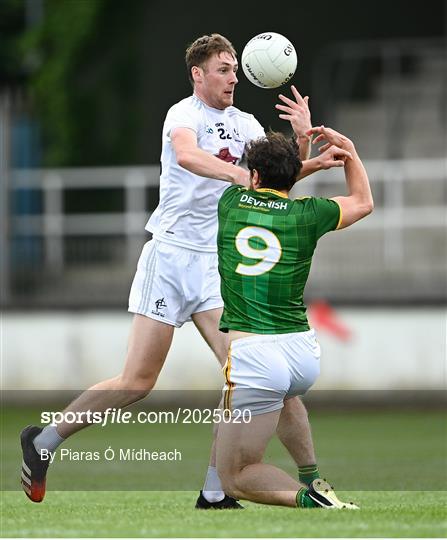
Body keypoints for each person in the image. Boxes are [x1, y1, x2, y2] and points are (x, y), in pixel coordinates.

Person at [20, 34, 351, 507]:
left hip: (217, 265)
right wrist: (240, 175)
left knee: (251, 373)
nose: (233, 76)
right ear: (198, 75)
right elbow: (187, 156)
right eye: (222, 68)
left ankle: (218, 490)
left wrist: (305, 147)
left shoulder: (247, 124)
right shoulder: (184, 115)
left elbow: (274, 180)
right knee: (137, 382)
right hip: (171, 257)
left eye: (235, 68)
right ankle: (44, 439)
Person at [215, 126, 373, 509]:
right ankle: (312, 476)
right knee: (285, 398)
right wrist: (348, 152)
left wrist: (304, 160)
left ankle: (311, 501)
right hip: (301, 351)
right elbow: (363, 202)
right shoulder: (309, 213)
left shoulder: (231, 202)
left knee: (234, 476)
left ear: (253, 177)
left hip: (255, 353)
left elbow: (267, 186)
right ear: (292, 178)